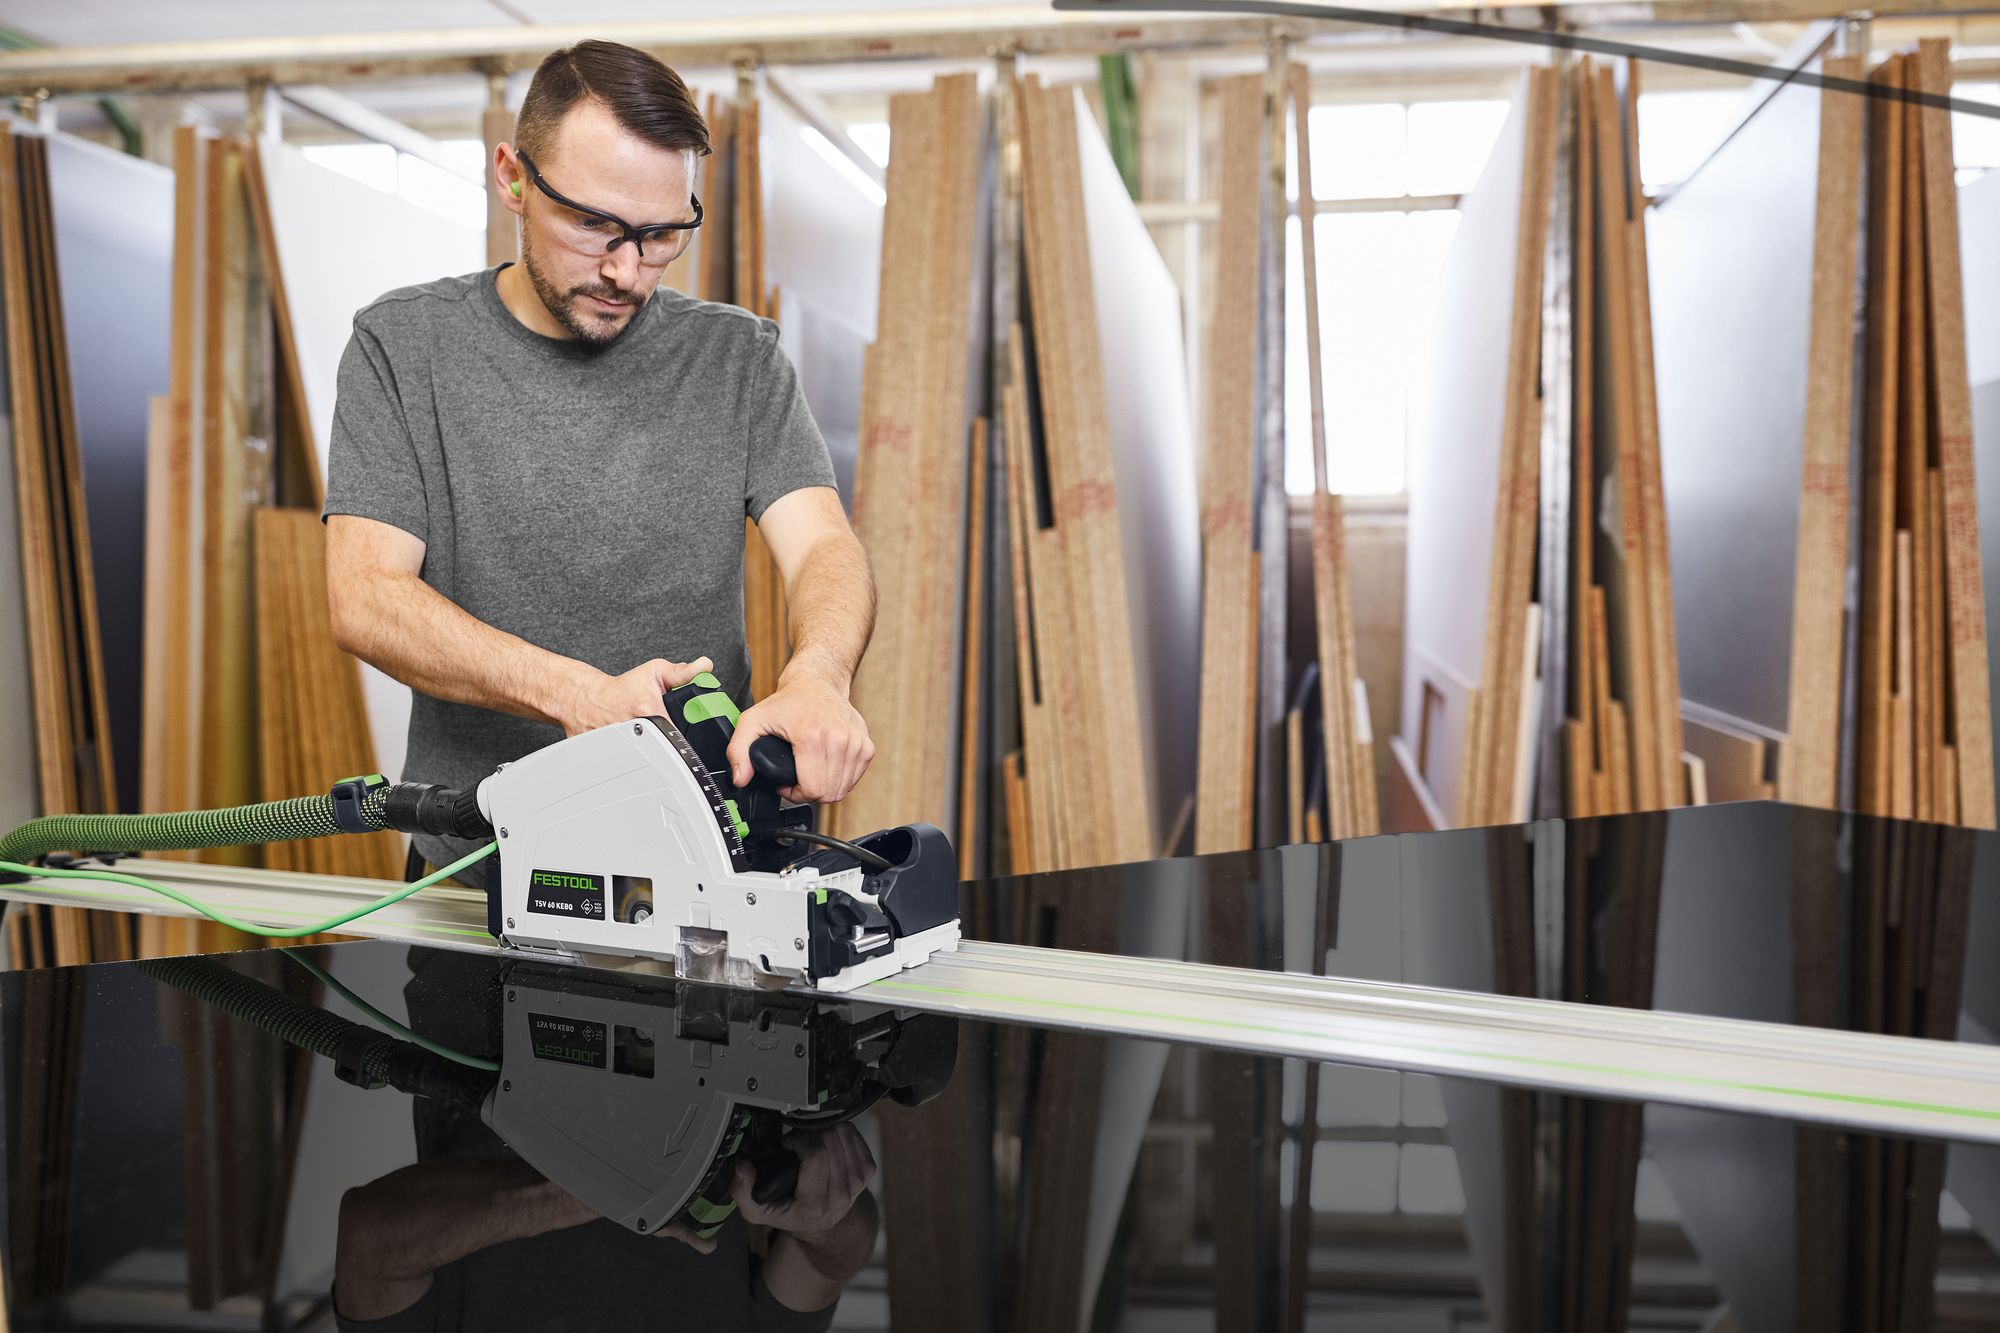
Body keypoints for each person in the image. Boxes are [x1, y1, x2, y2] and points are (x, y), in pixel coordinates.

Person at [322, 39, 876, 879]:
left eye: (660, 234)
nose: (625, 270)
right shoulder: (404, 347)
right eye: (593, 224)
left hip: (703, 864)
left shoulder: (739, 360)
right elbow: (365, 594)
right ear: (513, 178)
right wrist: (576, 694)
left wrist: (820, 677)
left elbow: (824, 547)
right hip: (476, 865)